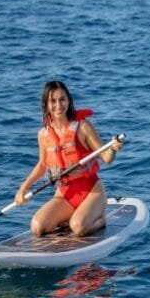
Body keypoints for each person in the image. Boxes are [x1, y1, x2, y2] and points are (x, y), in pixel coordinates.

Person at [15, 80, 123, 236]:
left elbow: (106, 158)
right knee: (38, 227)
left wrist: (113, 148)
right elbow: (42, 164)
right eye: (53, 101)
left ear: (68, 101)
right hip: (64, 194)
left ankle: (99, 219)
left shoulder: (83, 127)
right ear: (46, 104)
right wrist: (23, 188)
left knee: (78, 228)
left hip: (92, 192)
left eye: (62, 99)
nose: (58, 105)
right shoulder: (43, 134)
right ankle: (72, 216)